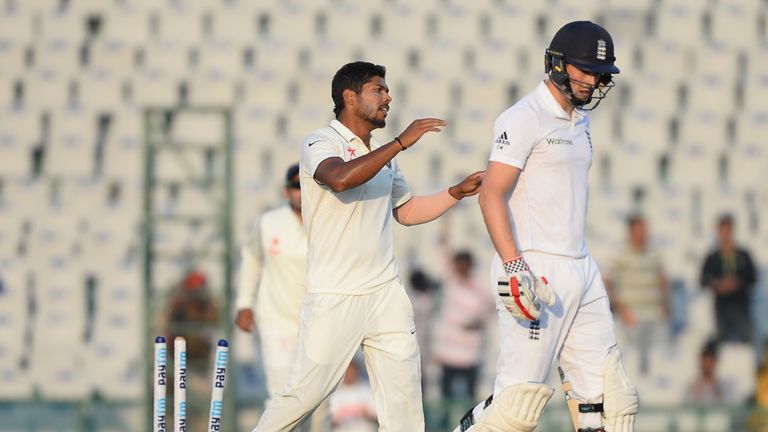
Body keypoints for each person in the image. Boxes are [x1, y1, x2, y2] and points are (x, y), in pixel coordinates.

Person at [252, 61, 483, 431]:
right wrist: (400, 143)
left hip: (384, 292)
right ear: (350, 97)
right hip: (334, 294)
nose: (388, 98)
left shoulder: (381, 153)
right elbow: (339, 179)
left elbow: (407, 211)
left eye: (387, 90)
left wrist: (456, 192)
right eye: (379, 89)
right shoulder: (320, 142)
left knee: (404, 404)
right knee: (304, 395)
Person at [456, 21, 638, 432]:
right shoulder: (523, 117)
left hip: (581, 266)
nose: (593, 81)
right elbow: (490, 195)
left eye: (599, 74)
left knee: (611, 402)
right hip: (535, 270)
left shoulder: (581, 121)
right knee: (517, 408)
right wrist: (514, 266)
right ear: (557, 64)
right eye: (585, 70)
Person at [234, 163, 328, 431]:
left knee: (320, 400)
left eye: (307, 186)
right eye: (296, 186)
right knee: (280, 396)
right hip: (277, 322)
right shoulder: (269, 223)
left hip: (319, 324)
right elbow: (251, 259)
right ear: (286, 191)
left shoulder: (328, 222)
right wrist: (244, 304)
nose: (301, 192)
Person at [432, 218, 495, 427]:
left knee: (470, 401)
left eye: (463, 264)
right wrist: (446, 220)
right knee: (445, 399)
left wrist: (474, 324)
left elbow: (487, 316)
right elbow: (443, 247)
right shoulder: (451, 281)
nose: (460, 268)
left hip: (470, 354)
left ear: (469, 265)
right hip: (448, 353)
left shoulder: (480, 288)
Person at [604, 214, 670, 374]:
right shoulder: (620, 254)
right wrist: (620, 309)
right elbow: (606, 281)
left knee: (661, 361)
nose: (645, 233)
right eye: (641, 229)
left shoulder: (654, 253)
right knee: (632, 362)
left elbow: (663, 278)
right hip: (631, 316)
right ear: (631, 231)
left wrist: (665, 304)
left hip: (654, 315)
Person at [700, 214, 757, 343]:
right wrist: (716, 284)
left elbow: (752, 277)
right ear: (718, 232)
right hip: (721, 306)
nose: (725, 235)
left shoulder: (743, 255)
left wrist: (737, 283)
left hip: (741, 305)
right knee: (721, 341)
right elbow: (703, 280)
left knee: (746, 340)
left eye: (728, 230)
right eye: (723, 231)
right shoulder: (712, 257)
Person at [329, 359, 378, 432]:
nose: (350, 374)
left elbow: (375, 416)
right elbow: (331, 420)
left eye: (352, 371)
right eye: (347, 371)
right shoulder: (334, 393)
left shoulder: (367, 389)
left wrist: (363, 414)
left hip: (364, 428)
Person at [685, 339, 735, 405]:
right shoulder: (691, 387)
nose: (707, 364)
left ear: (715, 361)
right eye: (705, 359)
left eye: (710, 360)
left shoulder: (725, 386)